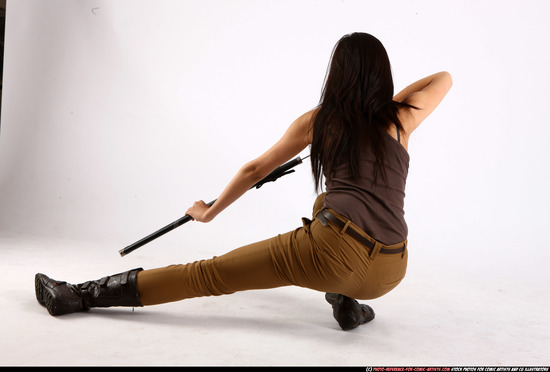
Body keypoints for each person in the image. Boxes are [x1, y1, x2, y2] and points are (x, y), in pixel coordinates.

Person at [35, 32, 452, 331]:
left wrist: (209, 212)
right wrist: (384, 100)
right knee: (326, 201)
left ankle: (79, 295)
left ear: (337, 74)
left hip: (333, 256)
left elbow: (256, 170)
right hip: (391, 271)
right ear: (384, 76)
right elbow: (443, 79)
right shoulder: (402, 120)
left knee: (207, 274)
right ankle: (346, 302)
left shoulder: (319, 121)